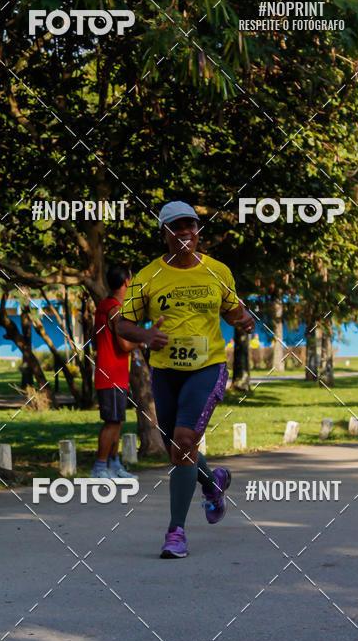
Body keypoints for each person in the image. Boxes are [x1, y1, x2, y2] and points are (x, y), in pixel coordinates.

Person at [117, 201, 255, 558]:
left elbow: (233, 308)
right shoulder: (147, 276)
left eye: (190, 226)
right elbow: (122, 323)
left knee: (183, 440)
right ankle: (213, 483)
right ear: (163, 233)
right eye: (176, 227)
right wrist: (147, 336)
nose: (184, 233)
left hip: (207, 367)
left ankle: (175, 532)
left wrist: (244, 319)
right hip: (165, 371)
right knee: (178, 449)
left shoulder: (218, 271)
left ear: (197, 231)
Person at [92, 263, 140, 479]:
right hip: (111, 374)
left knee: (117, 420)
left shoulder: (104, 305)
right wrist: (143, 338)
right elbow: (125, 345)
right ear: (127, 282)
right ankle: (100, 467)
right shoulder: (115, 310)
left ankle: (114, 464)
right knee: (112, 422)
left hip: (114, 373)